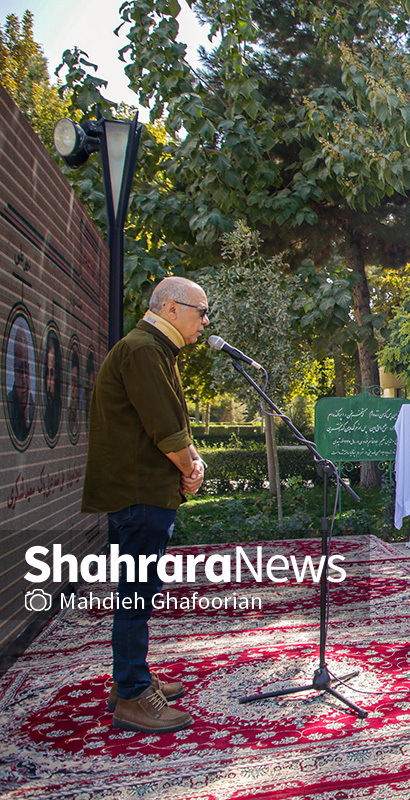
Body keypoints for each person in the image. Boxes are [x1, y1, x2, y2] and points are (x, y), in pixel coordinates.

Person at [81, 276, 210, 734]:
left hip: (141, 492)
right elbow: (164, 428)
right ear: (171, 309)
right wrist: (189, 467)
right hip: (139, 494)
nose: (205, 321)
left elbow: (165, 424)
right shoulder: (143, 349)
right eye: (200, 310)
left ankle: (128, 680)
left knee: (138, 592)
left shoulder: (152, 348)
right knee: (136, 594)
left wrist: (189, 462)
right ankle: (133, 695)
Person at [5, 334, 33, 443]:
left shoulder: (33, 407)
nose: (24, 378)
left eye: (26, 369)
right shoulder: (8, 405)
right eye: (20, 370)